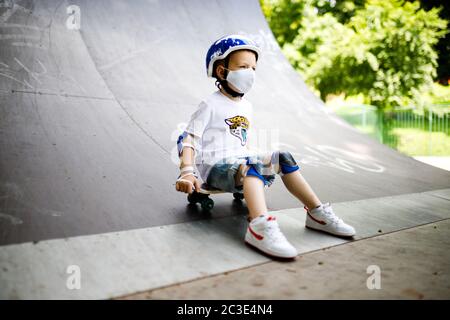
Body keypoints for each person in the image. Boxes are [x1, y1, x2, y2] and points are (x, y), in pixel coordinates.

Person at [175, 35, 355, 259]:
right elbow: (189, 138)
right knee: (254, 164)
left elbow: (240, 140)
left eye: (253, 68)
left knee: (283, 157)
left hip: (239, 162)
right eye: (243, 66)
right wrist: (187, 171)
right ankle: (259, 227)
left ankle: (317, 213)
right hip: (215, 168)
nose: (250, 73)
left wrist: (257, 157)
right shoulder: (210, 104)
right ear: (222, 72)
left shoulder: (247, 106)